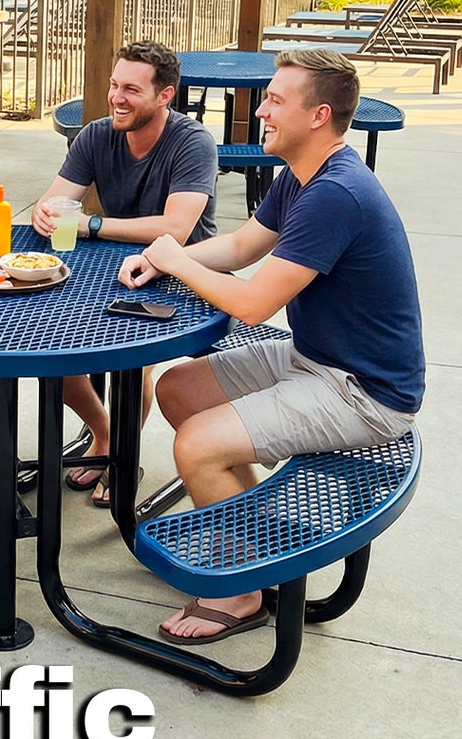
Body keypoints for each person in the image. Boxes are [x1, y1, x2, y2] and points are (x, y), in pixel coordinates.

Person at [117, 47, 424, 644]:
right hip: (316, 358)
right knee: (180, 389)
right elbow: (238, 249)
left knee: (198, 444)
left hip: (364, 392)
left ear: (319, 116)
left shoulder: (337, 193)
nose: (261, 111)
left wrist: (177, 257)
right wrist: (160, 261)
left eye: (277, 100)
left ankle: (240, 593)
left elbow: (255, 305)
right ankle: (261, 536)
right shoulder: (302, 175)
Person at [31, 41, 219, 502]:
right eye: (115, 85)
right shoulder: (96, 135)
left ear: (164, 95)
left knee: (133, 361)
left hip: (185, 276)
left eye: (131, 89)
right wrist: (45, 212)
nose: (117, 97)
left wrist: (91, 223)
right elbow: (57, 200)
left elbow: (176, 228)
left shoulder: (193, 142)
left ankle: (120, 456)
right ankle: (106, 434)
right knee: (46, 346)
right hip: (107, 270)